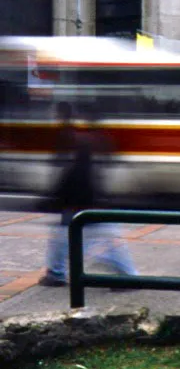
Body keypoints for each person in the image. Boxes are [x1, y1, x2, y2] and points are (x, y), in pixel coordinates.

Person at [39, 103, 137, 287]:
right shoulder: (92, 136)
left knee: (97, 238)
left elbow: (73, 172)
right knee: (71, 236)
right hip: (89, 197)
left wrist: (55, 196)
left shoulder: (73, 136)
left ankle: (128, 276)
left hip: (82, 199)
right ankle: (56, 273)